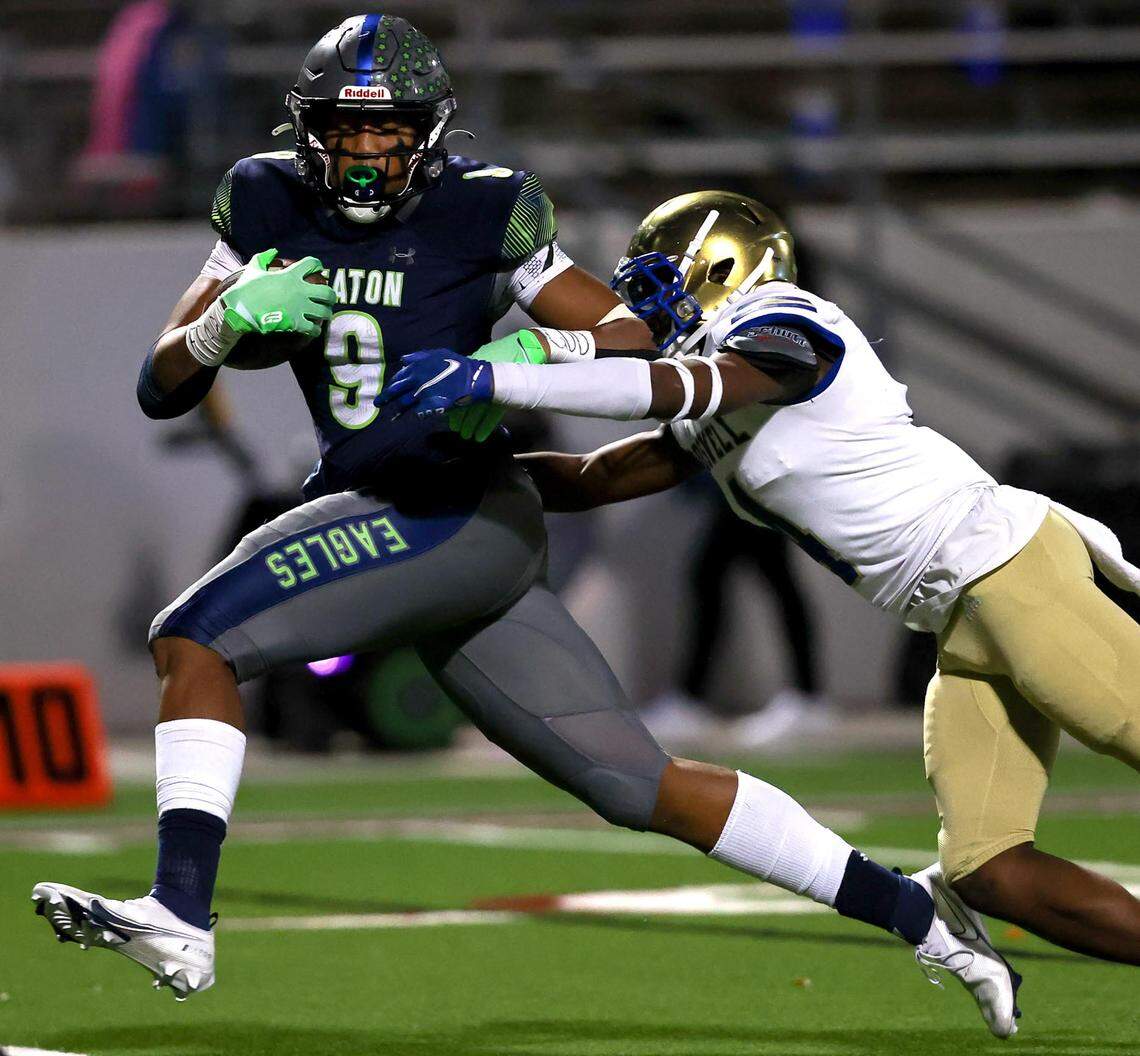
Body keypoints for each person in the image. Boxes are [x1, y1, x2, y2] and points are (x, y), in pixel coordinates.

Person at [32, 20, 1017, 1035]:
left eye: (390, 131)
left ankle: (181, 912)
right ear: (308, 128)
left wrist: (519, 361)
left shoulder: (484, 207)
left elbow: (626, 337)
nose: (367, 153)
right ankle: (925, 917)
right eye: (346, 131)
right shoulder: (264, 198)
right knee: (641, 786)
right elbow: (162, 383)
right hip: (450, 533)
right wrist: (225, 321)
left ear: (430, 130)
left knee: (194, 634)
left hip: (446, 508)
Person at [381, 190, 1140, 971]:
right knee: (988, 868)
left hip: (1009, 570)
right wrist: (444, 475)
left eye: (658, 283)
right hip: (963, 619)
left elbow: (693, 387)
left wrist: (499, 378)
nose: (643, 309)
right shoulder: (708, 392)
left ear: (723, 267)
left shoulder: (786, 322)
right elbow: (595, 476)